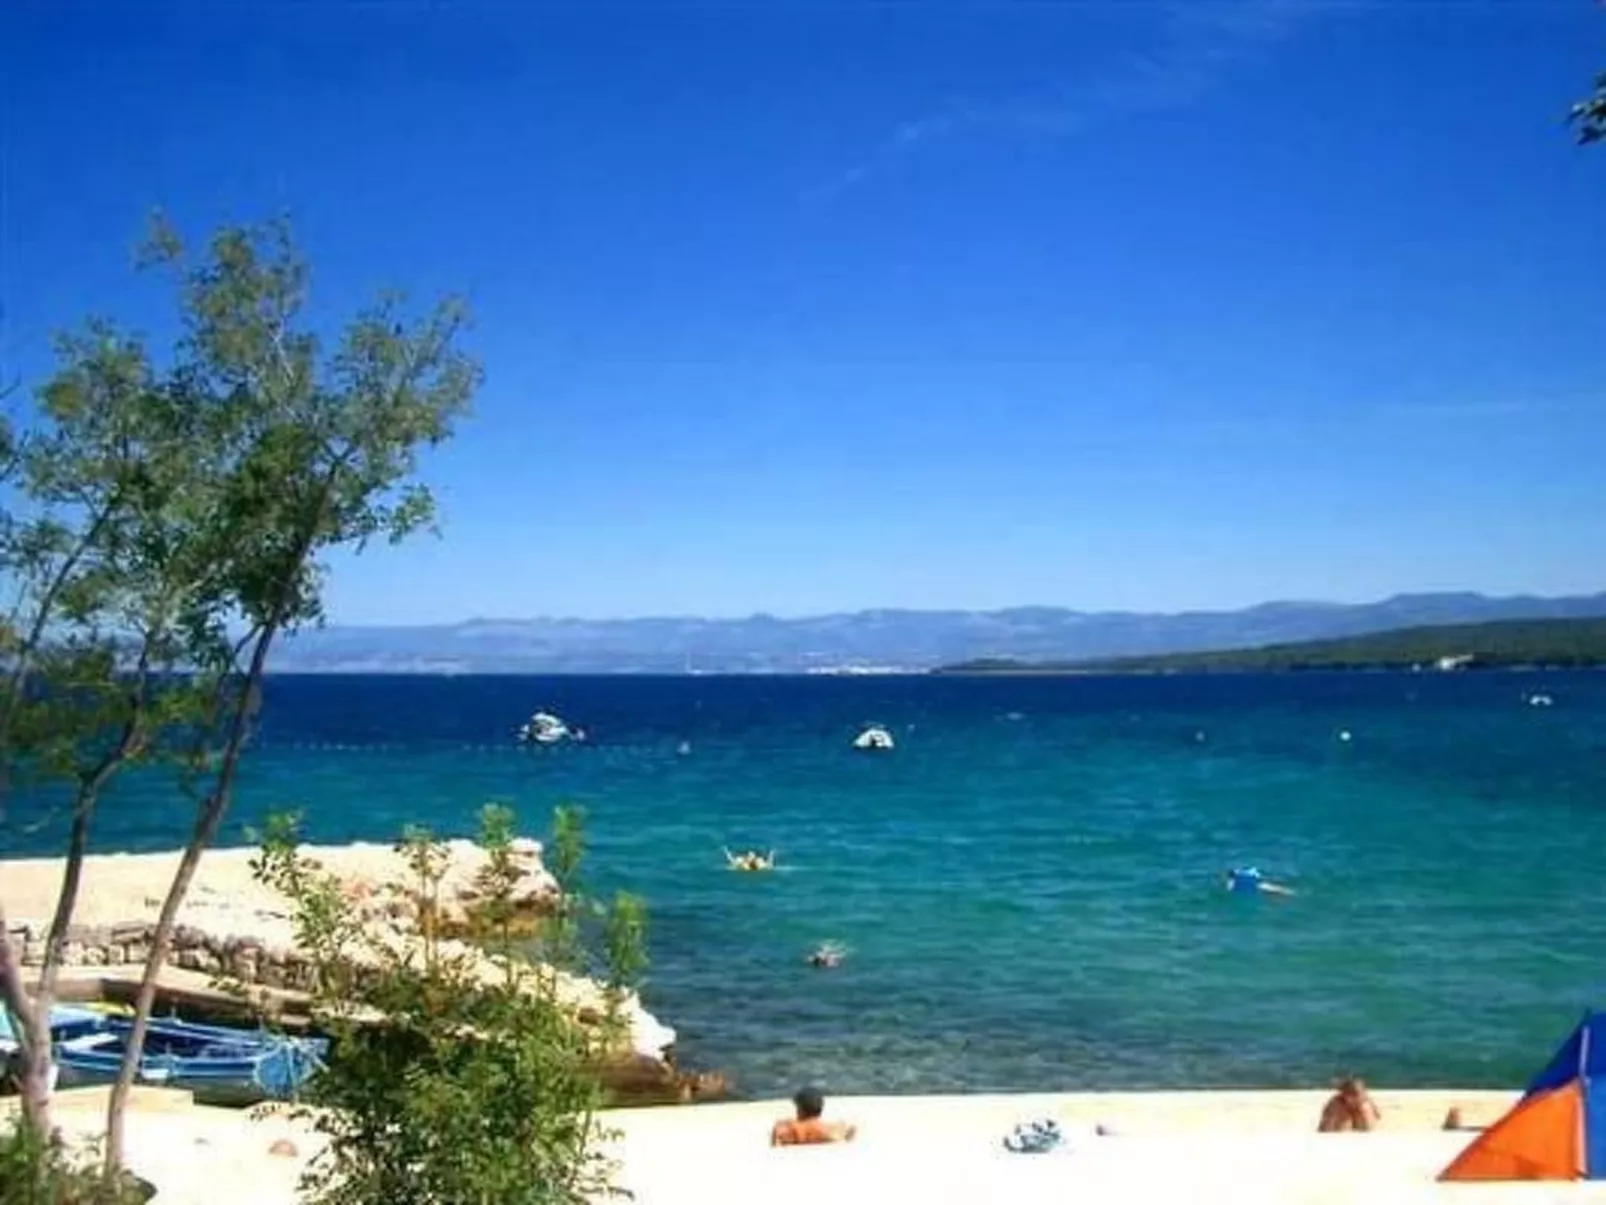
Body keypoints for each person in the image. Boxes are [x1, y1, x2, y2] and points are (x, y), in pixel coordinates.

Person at [771, 1086, 857, 1146]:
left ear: (800, 1110)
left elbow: (776, 1141)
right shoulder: (829, 1131)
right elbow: (851, 1131)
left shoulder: (788, 1130)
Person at [1224, 866, 1295, 897]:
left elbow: (1230, 890)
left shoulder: (1232, 881)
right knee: (1276, 890)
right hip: (1260, 885)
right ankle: (1291, 893)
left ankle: (1290, 893)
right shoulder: (1243, 874)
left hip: (1258, 887)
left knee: (1274, 891)